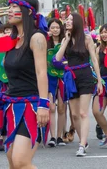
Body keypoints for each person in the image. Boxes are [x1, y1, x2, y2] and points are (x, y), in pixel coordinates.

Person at [0, 0, 49, 169]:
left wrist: (43, 105)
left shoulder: (36, 38)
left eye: (14, 7)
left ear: (27, 11)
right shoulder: (11, 41)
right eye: (9, 7)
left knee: (20, 161)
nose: (9, 11)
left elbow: (42, 73)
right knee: (12, 159)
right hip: (11, 106)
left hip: (32, 106)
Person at [55, 13, 103, 157]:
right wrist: (66, 40)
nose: (67, 21)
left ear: (77, 22)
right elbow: (57, 59)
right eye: (67, 19)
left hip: (85, 76)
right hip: (71, 78)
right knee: (74, 115)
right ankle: (84, 141)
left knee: (83, 112)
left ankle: (82, 144)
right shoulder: (66, 39)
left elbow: (94, 60)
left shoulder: (87, 39)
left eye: (70, 19)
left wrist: (99, 80)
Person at [47, 18, 68, 147]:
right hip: (49, 77)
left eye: (57, 27)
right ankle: (52, 137)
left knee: (61, 107)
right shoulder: (45, 41)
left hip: (63, 76)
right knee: (51, 107)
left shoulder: (65, 41)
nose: (55, 29)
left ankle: (60, 136)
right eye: (52, 27)